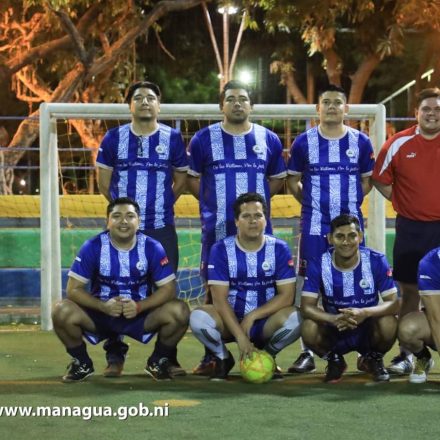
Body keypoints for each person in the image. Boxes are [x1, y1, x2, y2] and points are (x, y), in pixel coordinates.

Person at [187, 80, 287, 374]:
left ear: (251, 106)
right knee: (213, 291)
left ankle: (264, 353)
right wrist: (215, 204)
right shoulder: (203, 139)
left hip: (257, 232)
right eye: (230, 99)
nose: (237, 103)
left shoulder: (268, 139)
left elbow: (277, 179)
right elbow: (192, 179)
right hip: (217, 229)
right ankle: (213, 356)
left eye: (242, 98)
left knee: (265, 288)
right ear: (222, 106)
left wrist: (254, 208)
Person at [96, 81, 188, 376]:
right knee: (115, 287)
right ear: (130, 106)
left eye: (151, 97)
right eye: (138, 97)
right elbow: (104, 182)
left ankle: (164, 357)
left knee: (166, 292)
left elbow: (181, 180)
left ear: (159, 105)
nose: (145, 101)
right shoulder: (114, 138)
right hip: (123, 231)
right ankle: (114, 354)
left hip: (161, 227)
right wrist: (124, 217)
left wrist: (162, 205)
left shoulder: (172, 137)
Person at [286, 84, 375, 373]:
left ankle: (364, 350)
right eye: (327, 102)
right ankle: (307, 353)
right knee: (308, 288)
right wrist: (311, 203)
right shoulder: (303, 142)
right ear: (318, 109)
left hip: (350, 230)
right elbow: (293, 181)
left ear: (346, 109)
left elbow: (366, 182)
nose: (332, 107)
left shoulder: (361, 142)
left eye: (338, 102)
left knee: (356, 284)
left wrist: (349, 205)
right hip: (314, 228)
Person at [52, 197, 189, 382]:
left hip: (139, 316)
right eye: (116, 216)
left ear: (138, 222)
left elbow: (168, 289)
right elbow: (73, 289)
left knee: (180, 311)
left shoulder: (152, 247)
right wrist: (102, 306)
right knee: (61, 310)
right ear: (107, 221)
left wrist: (139, 306)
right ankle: (81, 362)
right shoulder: (92, 246)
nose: (123, 221)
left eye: (130, 216)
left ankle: (157, 361)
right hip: (101, 315)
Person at [189, 193, 301, 380]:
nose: (253, 221)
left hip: (265, 322)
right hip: (229, 321)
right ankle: (223, 358)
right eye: (246, 216)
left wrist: (253, 316)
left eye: (258, 215)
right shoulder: (220, 249)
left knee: (298, 317)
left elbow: (287, 296)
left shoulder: (279, 248)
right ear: (236, 221)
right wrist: (240, 336)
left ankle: (267, 356)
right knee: (198, 318)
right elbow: (219, 299)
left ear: (266, 219)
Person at [372, 87, 440, 374]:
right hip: (411, 228)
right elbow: (379, 179)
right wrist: (402, 201)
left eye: (437, 109)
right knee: (410, 291)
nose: (432, 114)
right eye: (427, 109)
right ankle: (408, 353)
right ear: (416, 113)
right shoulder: (398, 144)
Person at [300, 214, 399, 383]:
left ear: (360, 237)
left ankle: (373, 359)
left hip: (367, 328)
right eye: (340, 236)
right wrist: (333, 318)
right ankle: (334, 360)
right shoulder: (318, 263)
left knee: (389, 322)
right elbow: (306, 307)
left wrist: (364, 312)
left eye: (352, 236)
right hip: (335, 329)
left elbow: (394, 303)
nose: (346, 242)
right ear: (330, 239)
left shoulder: (376, 260)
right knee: (308, 327)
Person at [398, 247, 440, 383]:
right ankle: (424, 358)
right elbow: (436, 318)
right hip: (438, 321)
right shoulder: (430, 262)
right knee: (408, 329)